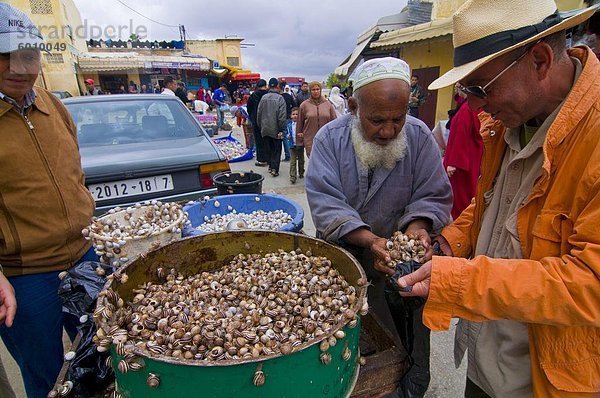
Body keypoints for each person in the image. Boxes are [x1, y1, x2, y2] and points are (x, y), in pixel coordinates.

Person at [395, 1, 600, 397]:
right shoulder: (512, 120)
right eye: (465, 90)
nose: (472, 106)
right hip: (489, 359)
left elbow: (590, 283)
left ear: (540, 61)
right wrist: (446, 243)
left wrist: (460, 281)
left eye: (479, 89)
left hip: (546, 378)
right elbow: (495, 204)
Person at [306, 57, 452, 398]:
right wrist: (370, 240)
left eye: (397, 119)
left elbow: (433, 191)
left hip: (402, 258)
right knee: (350, 337)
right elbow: (326, 202)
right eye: (376, 120)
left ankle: (408, 386)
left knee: (409, 334)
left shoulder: (418, 136)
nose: (388, 130)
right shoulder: (330, 139)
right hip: (349, 252)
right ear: (354, 107)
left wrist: (418, 226)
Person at [0, 4, 98, 397]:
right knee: (46, 377)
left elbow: (75, 174)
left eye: (29, 55)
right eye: (5, 56)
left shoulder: (53, 106)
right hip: (24, 278)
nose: (20, 68)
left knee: (102, 357)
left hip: (85, 258)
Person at [443, 84, 483, 219]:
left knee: (461, 197)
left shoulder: (466, 109)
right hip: (470, 156)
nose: (455, 88)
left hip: (464, 161)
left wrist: (454, 162)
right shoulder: (468, 106)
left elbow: (461, 135)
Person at [296, 81, 336, 157]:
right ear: (310, 91)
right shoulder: (304, 105)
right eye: (313, 90)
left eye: (317, 89)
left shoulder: (328, 104)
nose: (316, 91)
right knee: (313, 162)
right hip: (310, 140)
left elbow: (334, 121)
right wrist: (299, 141)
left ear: (320, 90)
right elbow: (299, 123)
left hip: (326, 139)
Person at [257, 78, 287, 177]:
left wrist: (260, 126)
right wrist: (281, 129)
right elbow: (282, 116)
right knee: (276, 150)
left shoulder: (263, 98)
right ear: (277, 86)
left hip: (265, 128)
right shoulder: (280, 98)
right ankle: (275, 169)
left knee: (268, 148)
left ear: (269, 86)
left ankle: (270, 166)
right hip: (276, 129)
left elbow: (259, 113)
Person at [246, 79, 270, 166]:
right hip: (267, 120)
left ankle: (261, 159)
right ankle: (269, 158)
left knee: (258, 140)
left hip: (256, 120)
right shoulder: (268, 95)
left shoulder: (253, 96)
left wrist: (252, 117)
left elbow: (249, 108)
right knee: (267, 139)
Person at [286, 107, 304, 184]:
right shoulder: (289, 125)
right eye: (293, 114)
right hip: (292, 145)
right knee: (292, 162)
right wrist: (287, 136)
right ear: (291, 116)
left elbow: (304, 132)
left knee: (301, 160)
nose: (295, 116)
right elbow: (287, 133)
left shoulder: (301, 124)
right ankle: (293, 177)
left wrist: (302, 135)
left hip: (300, 144)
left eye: (297, 114)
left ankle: (301, 172)